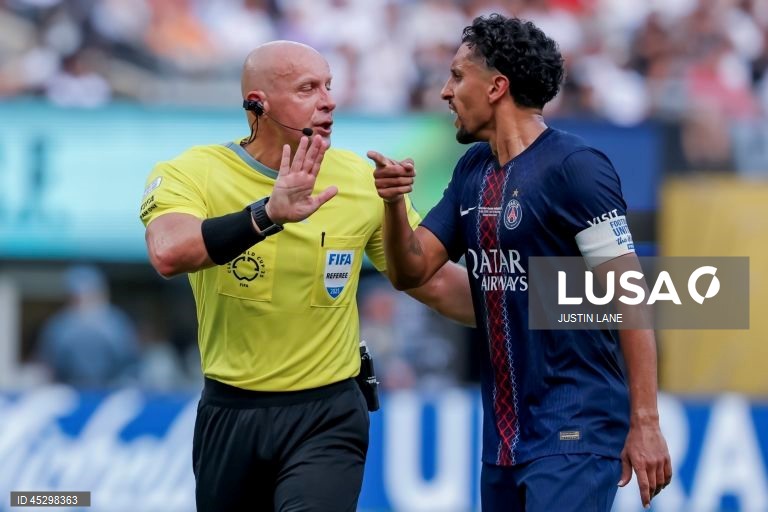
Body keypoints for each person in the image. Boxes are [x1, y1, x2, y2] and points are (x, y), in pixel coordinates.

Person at [139, 40, 474, 512]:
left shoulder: (360, 180)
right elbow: (169, 252)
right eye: (308, 88)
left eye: (329, 86)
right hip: (230, 413)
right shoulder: (194, 172)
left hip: (328, 413)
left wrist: (549, 307)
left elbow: (433, 281)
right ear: (258, 104)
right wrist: (268, 214)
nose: (329, 100)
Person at [370, 14, 671, 512]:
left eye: (457, 76)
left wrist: (646, 421)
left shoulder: (575, 168)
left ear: (497, 87)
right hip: (505, 441)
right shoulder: (472, 169)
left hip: (575, 427)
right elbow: (412, 270)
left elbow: (631, 300)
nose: (446, 92)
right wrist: (393, 204)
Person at [37, 265, 140, 387]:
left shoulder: (116, 322)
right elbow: (48, 366)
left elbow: (131, 365)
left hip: (110, 393)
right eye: (76, 296)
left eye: (88, 294)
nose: (82, 300)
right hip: (70, 393)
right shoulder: (60, 325)